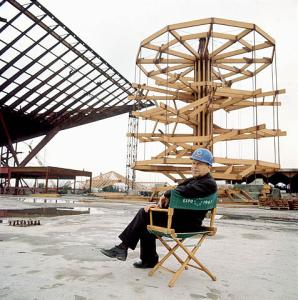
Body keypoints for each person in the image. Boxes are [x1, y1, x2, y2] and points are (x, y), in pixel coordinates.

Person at [100, 148, 217, 268]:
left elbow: (180, 192)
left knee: (144, 214)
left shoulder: (209, 183)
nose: (195, 166)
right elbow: (178, 196)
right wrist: (158, 205)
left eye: (199, 163)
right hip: (180, 220)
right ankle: (148, 260)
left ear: (209, 166)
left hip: (188, 224)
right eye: (193, 163)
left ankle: (123, 247)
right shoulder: (194, 181)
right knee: (146, 222)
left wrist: (167, 193)